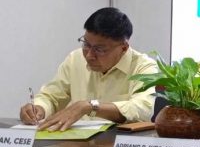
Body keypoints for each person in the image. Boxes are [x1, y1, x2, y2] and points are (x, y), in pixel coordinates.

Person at [19, 7, 157, 131]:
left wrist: (91, 107)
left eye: (99, 49)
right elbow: (51, 96)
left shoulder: (144, 66)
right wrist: (39, 108)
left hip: (117, 146)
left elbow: (142, 109)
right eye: (86, 44)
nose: (89, 55)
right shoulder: (75, 59)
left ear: (124, 48)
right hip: (75, 146)